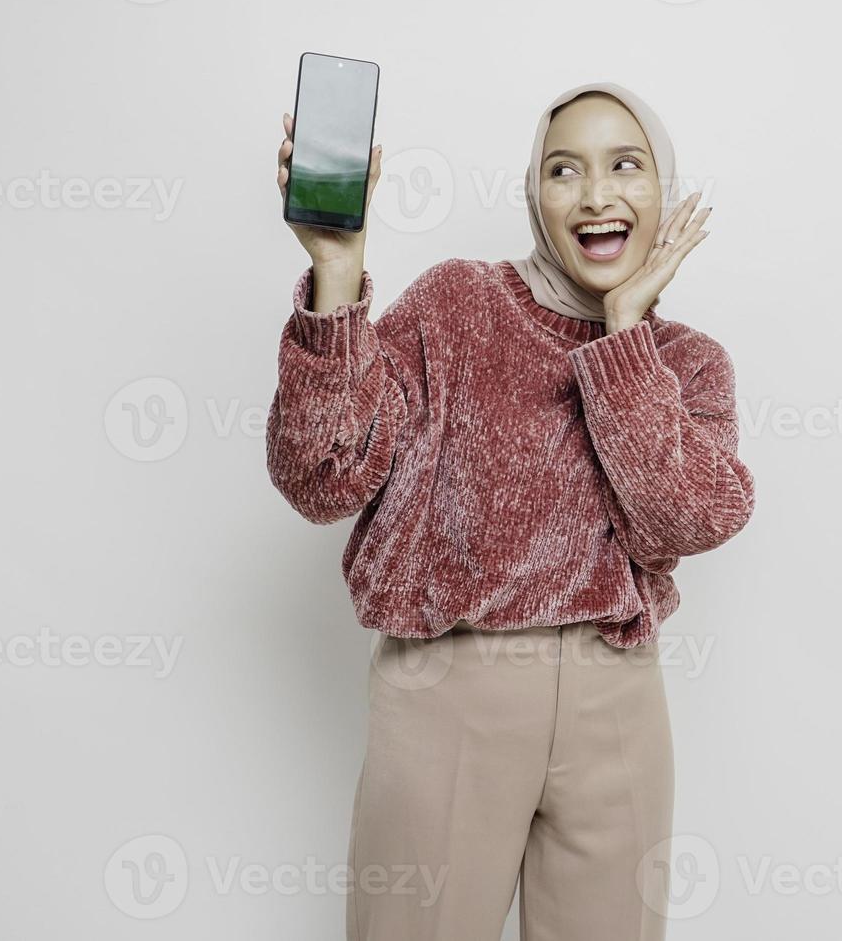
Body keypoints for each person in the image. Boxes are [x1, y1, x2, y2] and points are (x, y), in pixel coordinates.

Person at [266, 80, 755, 941]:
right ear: (536, 192)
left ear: (663, 191)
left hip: (617, 697)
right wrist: (337, 274)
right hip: (449, 686)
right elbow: (321, 478)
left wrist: (624, 333)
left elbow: (685, 519)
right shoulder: (455, 306)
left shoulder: (688, 363)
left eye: (625, 166)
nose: (597, 194)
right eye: (565, 169)